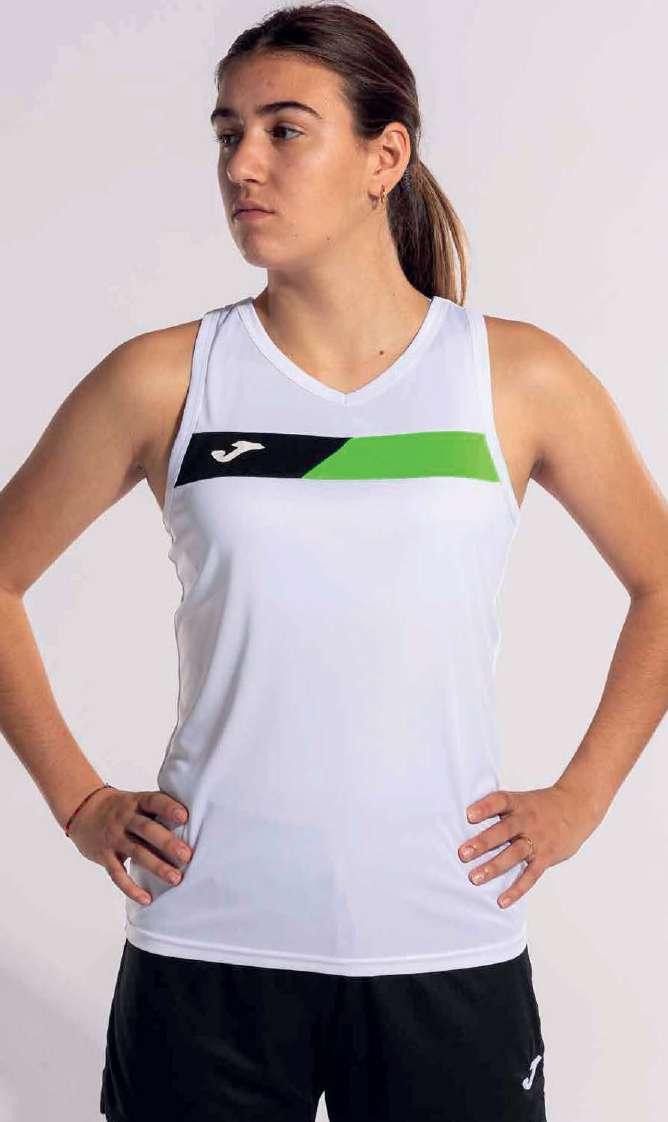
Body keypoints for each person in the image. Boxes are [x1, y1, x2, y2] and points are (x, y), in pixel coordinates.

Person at [1, 4, 667, 1120]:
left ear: (383, 156)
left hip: (442, 941)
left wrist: (580, 800)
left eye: (284, 129)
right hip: (205, 946)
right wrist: (80, 802)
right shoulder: (165, 380)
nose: (241, 165)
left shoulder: (514, 377)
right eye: (227, 133)